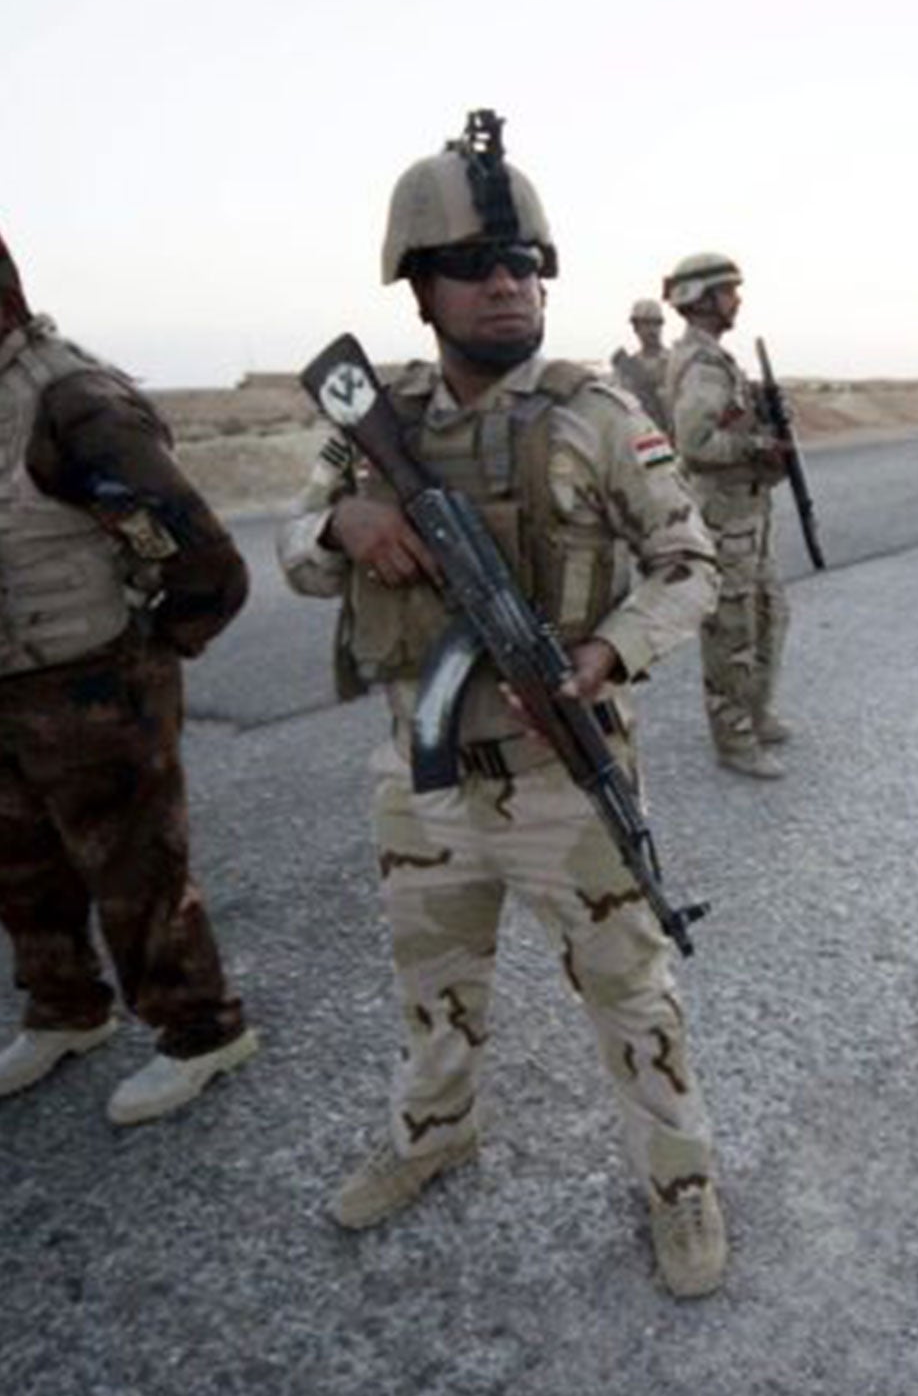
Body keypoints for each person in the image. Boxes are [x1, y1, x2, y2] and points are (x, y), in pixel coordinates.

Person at [278, 114, 729, 1298]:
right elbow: (290, 550)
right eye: (473, 267)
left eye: (522, 264)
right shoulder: (374, 427)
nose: (503, 285)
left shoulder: (594, 416)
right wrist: (344, 521)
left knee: (633, 993)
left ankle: (679, 1185)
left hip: (557, 781)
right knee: (433, 990)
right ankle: (435, 1138)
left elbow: (691, 567)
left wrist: (605, 657)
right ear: (418, 290)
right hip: (419, 783)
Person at [0, 197, 258, 1125]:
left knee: (136, 875)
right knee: (12, 865)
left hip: (91, 683)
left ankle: (201, 1030)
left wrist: (148, 654)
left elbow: (205, 563)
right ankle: (66, 1008)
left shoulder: (75, 403)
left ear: (1, 300)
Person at [660, 252, 792, 780]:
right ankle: (734, 738)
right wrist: (761, 443)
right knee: (733, 629)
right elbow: (695, 443)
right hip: (724, 520)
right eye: (727, 290)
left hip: (746, 513)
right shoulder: (702, 364)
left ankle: (755, 714)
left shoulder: (715, 358)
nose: (736, 299)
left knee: (768, 614)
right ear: (702, 299)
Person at [610, 298, 669, 431]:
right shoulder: (626, 369)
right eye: (646, 324)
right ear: (636, 328)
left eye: (656, 324)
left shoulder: (675, 361)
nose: (652, 330)